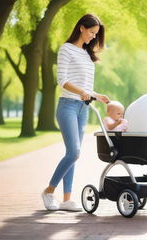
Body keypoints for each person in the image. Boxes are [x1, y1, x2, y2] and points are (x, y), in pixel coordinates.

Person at [42, 14, 110, 212]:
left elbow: (86, 87)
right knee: (74, 152)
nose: (93, 37)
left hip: (83, 109)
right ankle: (48, 191)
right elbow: (62, 80)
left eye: (96, 34)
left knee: (72, 155)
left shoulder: (88, 55)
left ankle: (66, 199)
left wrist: (97, 95)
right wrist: (83, 92)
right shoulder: (66, 49)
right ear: (81, 28)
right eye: (91, 32)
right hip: (68, 107)